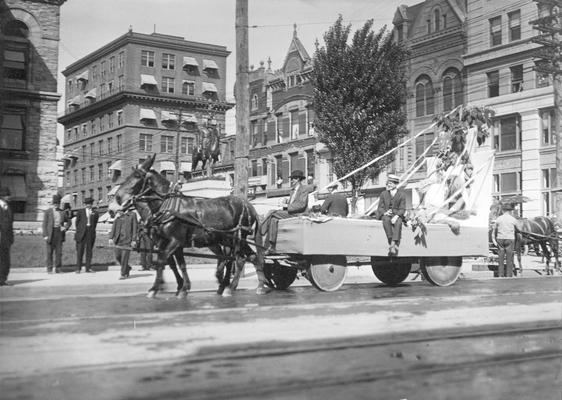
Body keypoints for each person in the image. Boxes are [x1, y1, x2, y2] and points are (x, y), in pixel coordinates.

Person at [262, 170, 311, 252]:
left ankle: (260, 231)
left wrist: (287, 206)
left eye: (293, 179)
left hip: (299, 214)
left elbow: (302, 205)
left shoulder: (304, 189)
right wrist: (286, 202)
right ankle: (272, 245)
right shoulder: (292, 191)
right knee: (274, 220)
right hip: (292, 212)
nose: (291, 181)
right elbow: (294, 203)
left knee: (272, 212)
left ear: (298, 179)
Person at [376, 174, 406, 256]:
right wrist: (385, 212)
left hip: (397, 214)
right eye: (388, 183)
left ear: (396, 184)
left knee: (399, 222)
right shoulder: (383, 193)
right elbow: (380, 207)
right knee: (385, 219)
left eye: (391, 183)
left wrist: (396, 216)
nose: (389, 185)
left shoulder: (402, 195)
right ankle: (391, 240)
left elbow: (402, 209)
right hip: (387, 214)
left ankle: (393, 244)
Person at [42, 194, 71, 274]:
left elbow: (69, 221)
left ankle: (58, 268)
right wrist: (45, 235)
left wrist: (65, 228)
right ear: (52, 203)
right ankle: (49, 269)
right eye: (55, 203)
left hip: (59, 233)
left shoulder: (62, 212)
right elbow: (44, 224)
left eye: (57, 203)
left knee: (59, 252)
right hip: (50, 233)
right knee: (49, 252)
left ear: (59, 203)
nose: (56, 205)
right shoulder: (48, 212)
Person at [109, 209, 138, 279]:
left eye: (119, 211)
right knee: (118, 256)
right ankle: (127, 268)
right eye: (117, 211)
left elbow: (135, 228)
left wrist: (134, 240)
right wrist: (110, 238)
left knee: (124, 258)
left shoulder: (131, 216)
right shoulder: (117, 218)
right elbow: (113, 228)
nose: (118, 212)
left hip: (127, 240)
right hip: (118, 240)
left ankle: (123, 274)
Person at [492, 203, 518, 278]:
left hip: (500, 239)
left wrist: (494, 240)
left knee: (501, 258)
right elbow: (518, 229)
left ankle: (500, 274)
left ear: (503, 210)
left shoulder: (498, 219)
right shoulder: (513, 219)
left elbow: (494, 230)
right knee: (509, 258)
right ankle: (508, 275)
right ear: (510, 211)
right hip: (510, 239)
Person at [74, 197, 99, 273]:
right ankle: (78, 268)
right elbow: (77, 223)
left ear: (92, 204)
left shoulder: (95, 213)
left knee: (89, 251)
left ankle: (88, 268)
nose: (88, 205)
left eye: (90, 204)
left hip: (90, 233)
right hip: (82, 233)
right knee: (80, 251)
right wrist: (79, 231)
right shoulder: (80, 212)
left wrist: (91, 230)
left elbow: (95, 223)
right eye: (87, 204)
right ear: (85, 204)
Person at [0, 188, 14, 285]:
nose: (9, 197)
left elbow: (11, 224)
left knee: (6, 260)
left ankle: (3, 279)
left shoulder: (9, 208)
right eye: (7, 195)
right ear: (3, 197)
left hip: (6, 238)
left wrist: (11, 238)